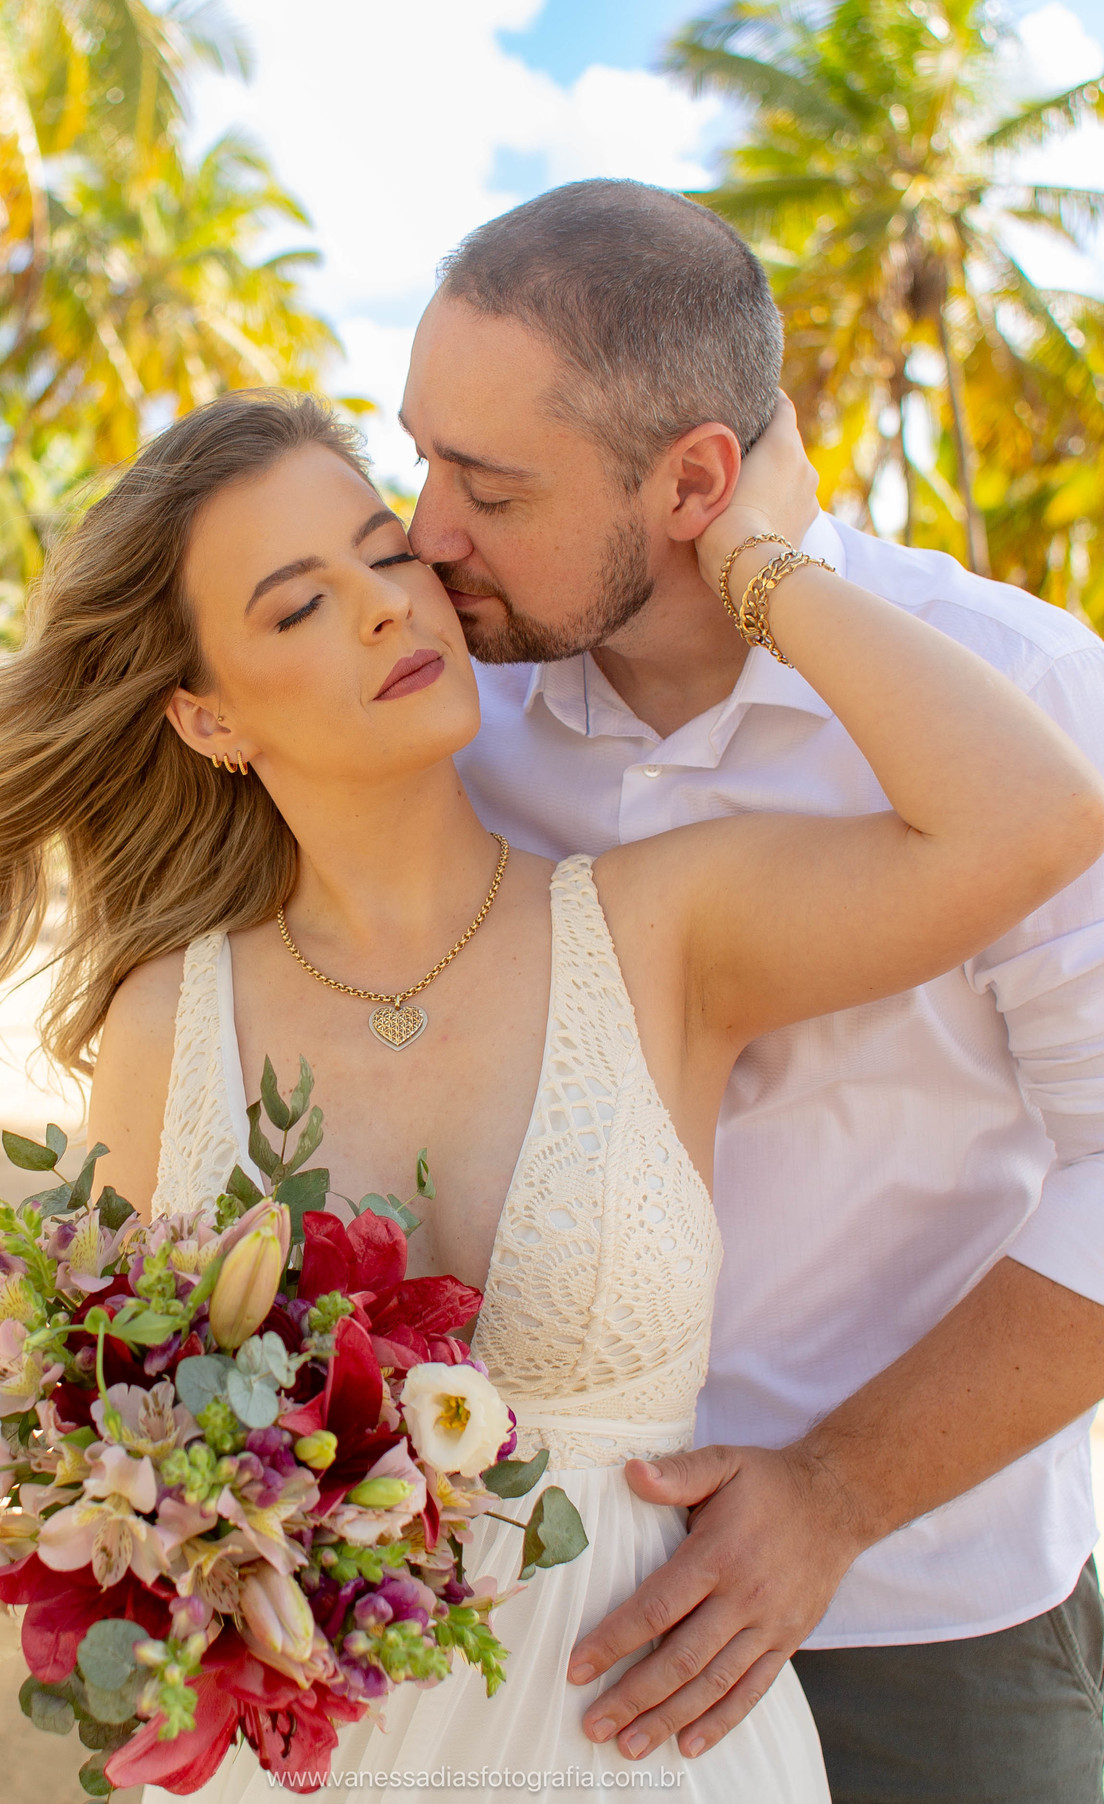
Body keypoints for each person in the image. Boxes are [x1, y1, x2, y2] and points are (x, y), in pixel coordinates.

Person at [0, 388, 1103, 1804]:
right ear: (206, 712)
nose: (381, 609)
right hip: (317, 1767)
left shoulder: (661, 928)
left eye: (388, 554)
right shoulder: (167, 1021)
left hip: (643, 1753)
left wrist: (750, 553)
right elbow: (96, 1447)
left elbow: (1035, 818)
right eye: (302, 607)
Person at [397, 177, 1104, 1803]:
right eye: (422, 453)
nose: (429, 530)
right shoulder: (455, 713)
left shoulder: (1024, 695)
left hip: (930, 1625)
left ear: (696, 483)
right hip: (540, 1624)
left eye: (488, 486)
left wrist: (839, 1493)